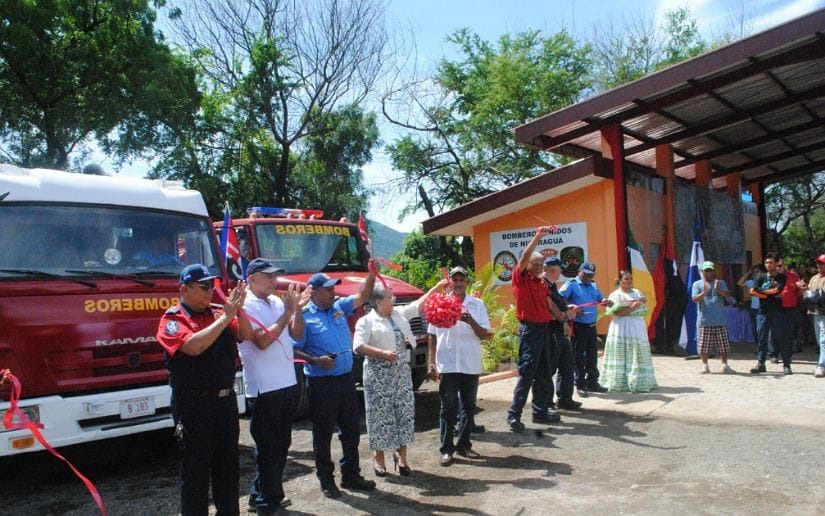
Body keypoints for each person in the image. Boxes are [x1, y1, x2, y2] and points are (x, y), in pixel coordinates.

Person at [155, 263, 252, 515]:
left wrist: (238, 310)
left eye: (213, 286)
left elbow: (246, 334)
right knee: (196, 469)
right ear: (184, 289)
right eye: (204, 286)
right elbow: (193, 347)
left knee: (228, 465)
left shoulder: (220, 313)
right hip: (194, 405)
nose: (210, 292)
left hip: (224, 401)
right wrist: (225, 319)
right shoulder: (174, 319)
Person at [293, 267, 377, 499]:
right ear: (314, 292)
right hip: (322, 384)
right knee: (323, 434)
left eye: (333, 288)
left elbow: (362, 296)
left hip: (345, 380)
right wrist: (315, 360)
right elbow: (295, 346)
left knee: (351, 430)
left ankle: (351, 475)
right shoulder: (304, 315)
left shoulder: (339, 307)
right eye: (328, 289)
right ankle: (327, 480)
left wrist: (371, 275)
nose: (333, 292)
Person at [239, 258, 307, 514]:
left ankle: (263, 493)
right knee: (269, 447)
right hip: (264, 387)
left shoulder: (278, 301)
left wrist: (296, 310)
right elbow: (261, 342)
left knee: (281, 444)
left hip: (286, 382)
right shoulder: (245, 303)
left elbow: (296, 334)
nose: (273, 280)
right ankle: (268, 501)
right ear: (252, 278)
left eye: (275, 276)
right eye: (267, 276)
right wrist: (288, 312)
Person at [427, 267, 491, 466]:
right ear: (450, 282)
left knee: (468, 406)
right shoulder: (439, 302)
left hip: (469, 363)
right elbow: (431, 335)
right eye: (455, 279)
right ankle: (446, 450)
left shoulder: (477, 305)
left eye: (462, 279)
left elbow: (485, 335)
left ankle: (464, 445)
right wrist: (430, 361)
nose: (458, 282)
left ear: (467, 282)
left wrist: (470, 321)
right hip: (447, 363)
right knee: (448, 407)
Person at [506, 226, 558, 433]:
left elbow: (548, 304)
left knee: (545, 374)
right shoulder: (520, 278)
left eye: (541, 265)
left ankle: (540, 411)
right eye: (535, 264)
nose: (538, 267)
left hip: (544, 330)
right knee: (527, 375)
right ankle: (514, 415)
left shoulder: (540, 283)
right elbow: (526, 256)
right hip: (530, 332)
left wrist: (564, 315)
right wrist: (538, 236)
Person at [601, 271, 658, 392]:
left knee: (636, 352)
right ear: (620, 280)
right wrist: (634, 307)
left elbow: (644, 309)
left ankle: (638, 381)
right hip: (622, 326)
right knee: (622, 352)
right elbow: (617, 312)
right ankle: (620, 382)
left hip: (637, 326)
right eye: (626, 279)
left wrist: (639, 304)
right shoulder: (615, 295)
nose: (629, 281)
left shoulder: (637, 293)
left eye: (630, 279)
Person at [560, 260, 610, 396]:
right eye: (586, 274)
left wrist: (605, 301)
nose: (588, 278)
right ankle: (580, 384)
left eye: (591, 275)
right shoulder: (571, 285)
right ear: (579, 271)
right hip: (578, 325)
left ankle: (593, 382)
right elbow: (559, 299)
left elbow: (600, 298)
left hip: (592, 325)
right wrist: (571, 307)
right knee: (579, 355)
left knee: (592, 355)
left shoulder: (593, 286)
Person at [542, 257, 582, 411]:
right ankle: (546, 403)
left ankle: (565, 399)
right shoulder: (542, 285)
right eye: (559, 269)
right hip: (550, 331)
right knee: (549, 369)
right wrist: (566, 315)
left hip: (560, 330)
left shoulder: (553, 286)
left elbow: (559, 305)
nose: (561, 272)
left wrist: (568, 310)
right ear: (551, 269)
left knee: (567, 366)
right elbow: (545, 310)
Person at [750, 253, 790, 374]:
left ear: (776, 263)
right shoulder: (760, 277)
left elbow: (777, 290)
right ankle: (761, 363)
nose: (768, 265)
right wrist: (768, 293)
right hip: (763, 311)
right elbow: (753, 291)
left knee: (781, 337)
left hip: (778, 311)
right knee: (762, 337)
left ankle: (786, 365)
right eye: (766, 262)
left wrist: (761, 292)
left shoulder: (781, 277)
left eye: (771, 262)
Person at [692, 261, 735, 374]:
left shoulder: (720, 283)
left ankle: (724, 365)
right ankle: (704, 365)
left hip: (720, 320)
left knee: (723, 345)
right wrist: (704, 292)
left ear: (713, 271)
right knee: (703, 346)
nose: (708, 273)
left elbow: (728, 296)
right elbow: (694, 299)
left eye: (710, 270)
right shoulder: (697, 284)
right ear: (702, 271)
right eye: (706, 271)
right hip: (705, 321)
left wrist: (719, 291)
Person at [796, 254, 825, 377]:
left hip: (824, 312)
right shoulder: (814, 278)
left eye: (822, 263)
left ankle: (821, 365)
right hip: (814, 312)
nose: (819, 265)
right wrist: (803, 289)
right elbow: (809, 295)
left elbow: (819, 296)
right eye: (818, 263)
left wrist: (810, 294)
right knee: (819, 339)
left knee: (823, 340)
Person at [737, 264, 766, 346]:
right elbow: (739, 283)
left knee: (762, 328)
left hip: (763, 308)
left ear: (762, 272)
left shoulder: (766, 282)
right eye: (754, 272)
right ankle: (759, 347)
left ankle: (765, 346)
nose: (755, 274)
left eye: (757, 272)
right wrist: (748, 273)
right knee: (755, 329)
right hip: (753, 309)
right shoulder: (751, 283)